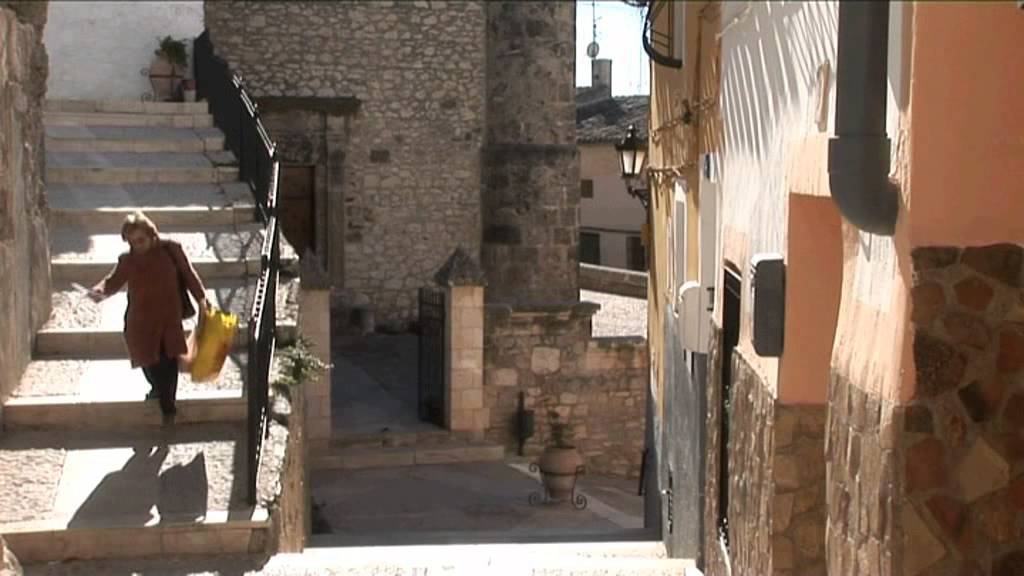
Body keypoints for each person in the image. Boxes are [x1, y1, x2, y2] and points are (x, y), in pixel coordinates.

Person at [88, 211, 209, 424]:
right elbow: (112, 281)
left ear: (151, 233)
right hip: (140, 321)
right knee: (147, 361)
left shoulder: (171, 250)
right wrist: (99, 291)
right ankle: (157, 389)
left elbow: (188, 274)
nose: (137, 245)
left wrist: (201, 298)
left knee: (169, 360)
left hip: (168, 318)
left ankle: (168, 406)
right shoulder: (128, 260)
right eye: (132, 242)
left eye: (140, 240)